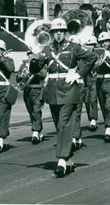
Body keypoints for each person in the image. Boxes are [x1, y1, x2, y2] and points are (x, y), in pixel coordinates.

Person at [29, 17, 97, 178]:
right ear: (52, 33)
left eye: (61, 31)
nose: (58, 34)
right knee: (59, 126)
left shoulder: (73, 47)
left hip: (69, 89)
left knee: (64, 122)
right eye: (55, 32)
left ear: (65, 32)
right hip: (52, 91)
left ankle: (61, 159)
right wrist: (35, 60)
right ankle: (69, 160)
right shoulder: (46, 50)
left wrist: (79, 74)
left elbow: (91, 58)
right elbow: (34, 69)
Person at [17, 50, 46, 144]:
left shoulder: (40, 64)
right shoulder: (24, 65)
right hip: (27, 90)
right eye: (29, 55)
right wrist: (21, 76)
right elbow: (17, 77)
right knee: (31, 111)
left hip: (37, 89)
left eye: (32, 55)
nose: (30, 57)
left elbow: (43, 75)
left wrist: (34, 71)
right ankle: (39, 130)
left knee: (36, 111)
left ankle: (35, 132)